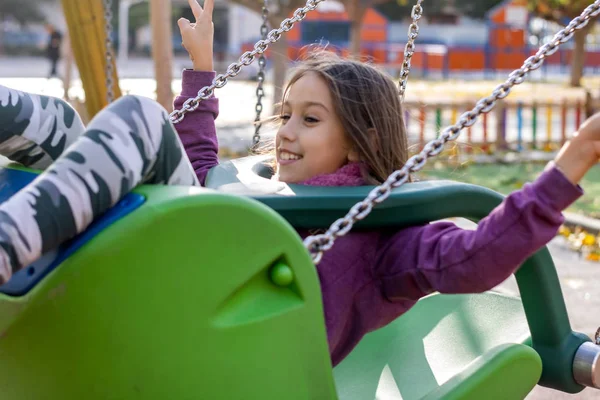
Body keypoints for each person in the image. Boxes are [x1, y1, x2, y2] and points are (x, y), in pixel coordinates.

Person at [0, 0, 598, 366]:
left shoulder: (383, 236)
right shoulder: (269, 191)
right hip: (175, 272)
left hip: (211, 331)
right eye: (285, 114)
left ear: (360, 140)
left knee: (140, 121)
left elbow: (474, 259)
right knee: (56, 124)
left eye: (309, 120)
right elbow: (198, 160)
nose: (285, 131)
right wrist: (202, 70)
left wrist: (564, 170)